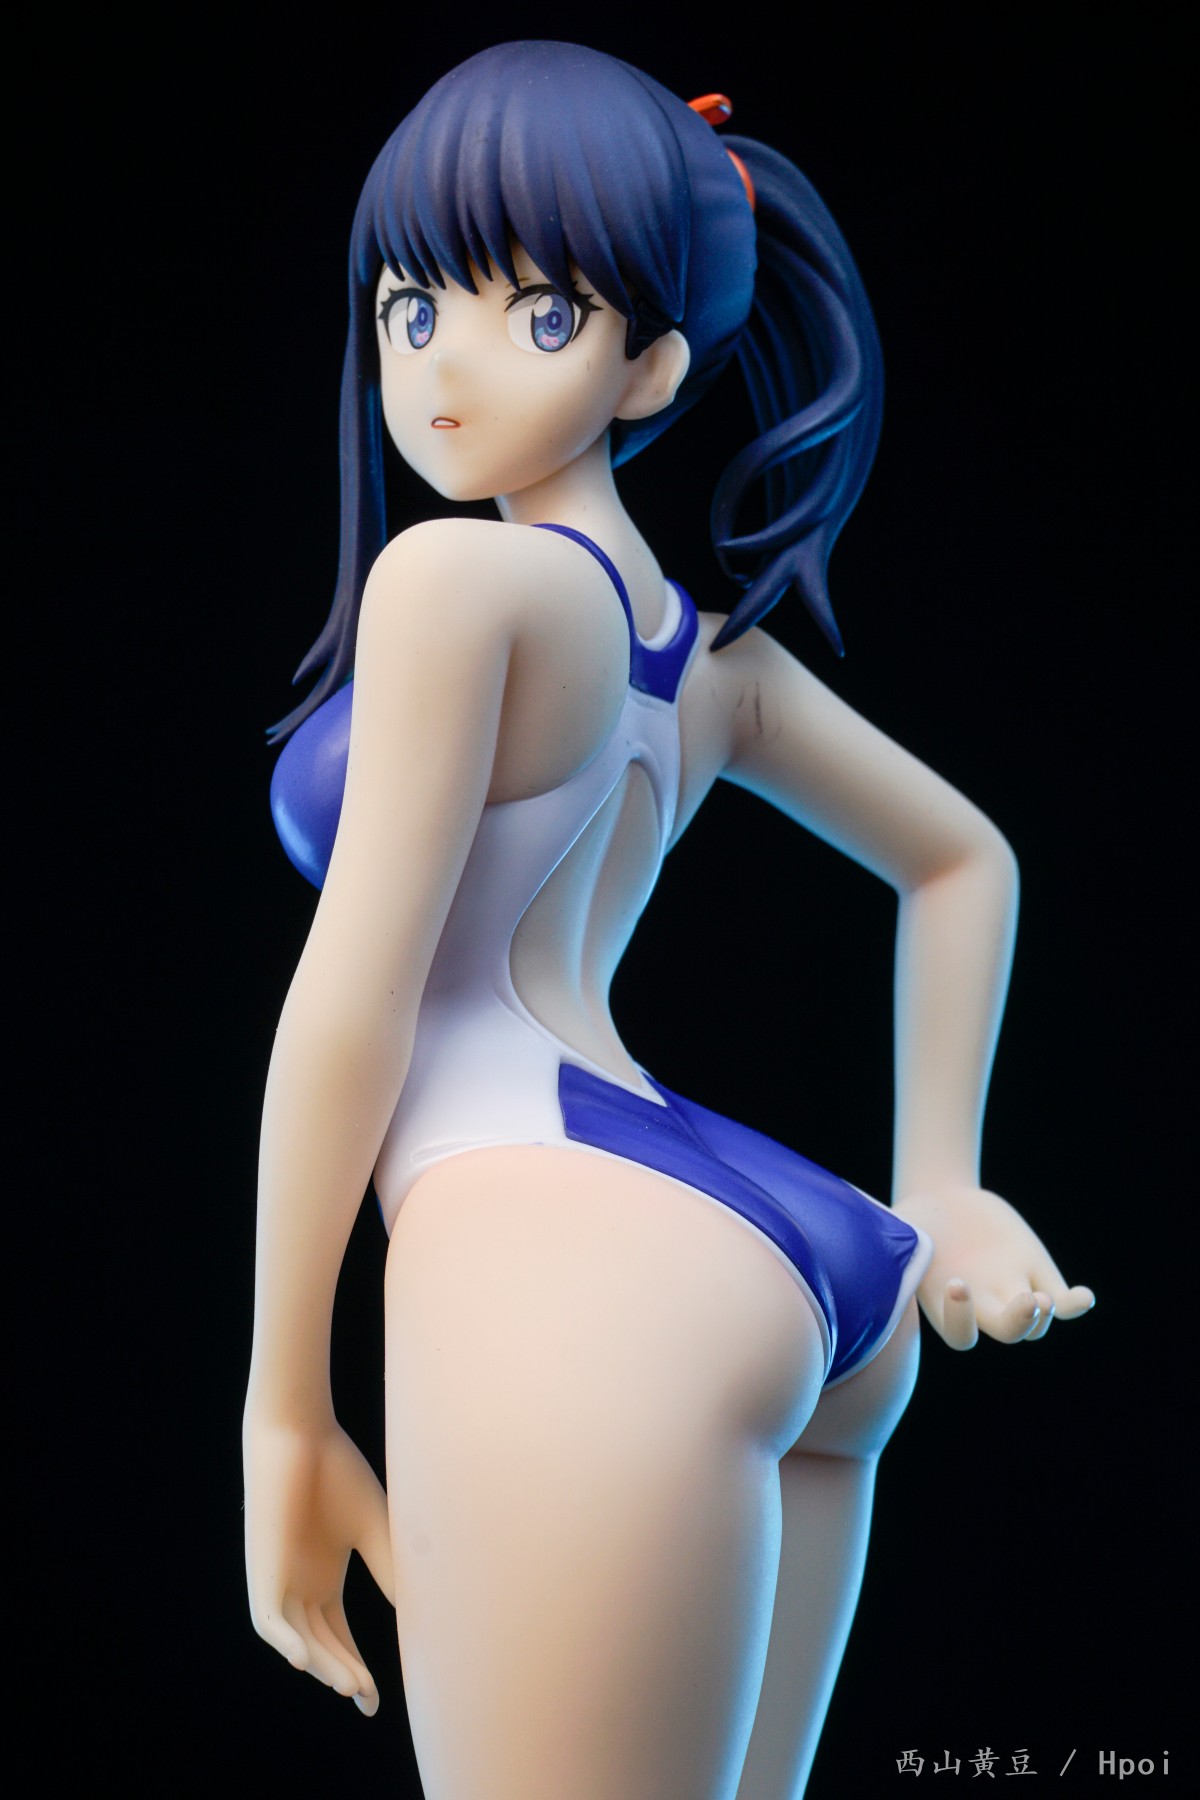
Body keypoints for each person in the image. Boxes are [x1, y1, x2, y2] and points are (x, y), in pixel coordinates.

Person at [244, 42, 1093, 1800]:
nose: (443, 363)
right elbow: (966, 861)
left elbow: (354, 1003)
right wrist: (936, 1183)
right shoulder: (708, 662)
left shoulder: (452, 581)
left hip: (560, 1248)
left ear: (654, 363)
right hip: (785, 1256)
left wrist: (282, 1406)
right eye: (411, 306)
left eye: (539, 311)